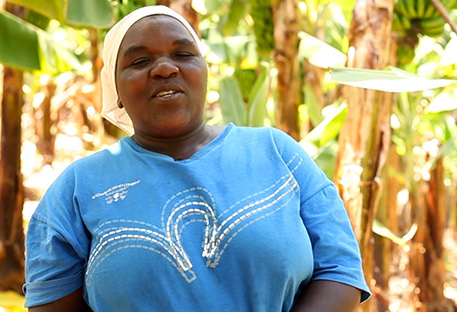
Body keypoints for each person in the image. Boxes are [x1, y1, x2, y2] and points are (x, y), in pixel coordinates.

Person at [23, 5, 371, 312]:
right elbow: (51, 304)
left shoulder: (278, 153)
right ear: (116, 93)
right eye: (140, 61)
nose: (164, 68)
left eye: (184, 54)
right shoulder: (78, 188)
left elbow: (340, 272)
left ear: (204, 71)